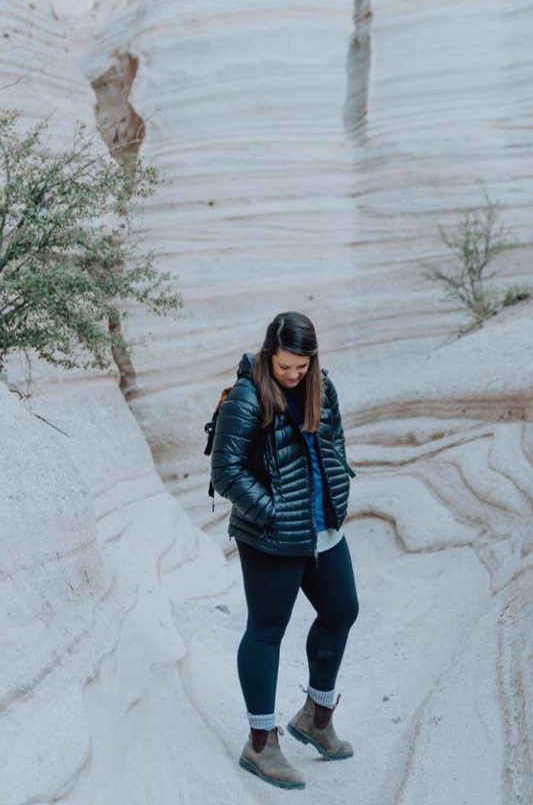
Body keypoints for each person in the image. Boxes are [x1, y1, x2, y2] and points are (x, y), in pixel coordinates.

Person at [210, 311, 359, 791]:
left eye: (302, 366)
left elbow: (332, 440)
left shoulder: (321, 385)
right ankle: (260, 744)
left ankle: (316, 717)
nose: (294, 375)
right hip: (271, 535)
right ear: (269, 354)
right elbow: (226, 472)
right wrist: (272, 511)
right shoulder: (247, 397)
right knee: (267, 631)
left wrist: (335, 492)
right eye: (286, 367)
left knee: (342, 611)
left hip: (322, 528)